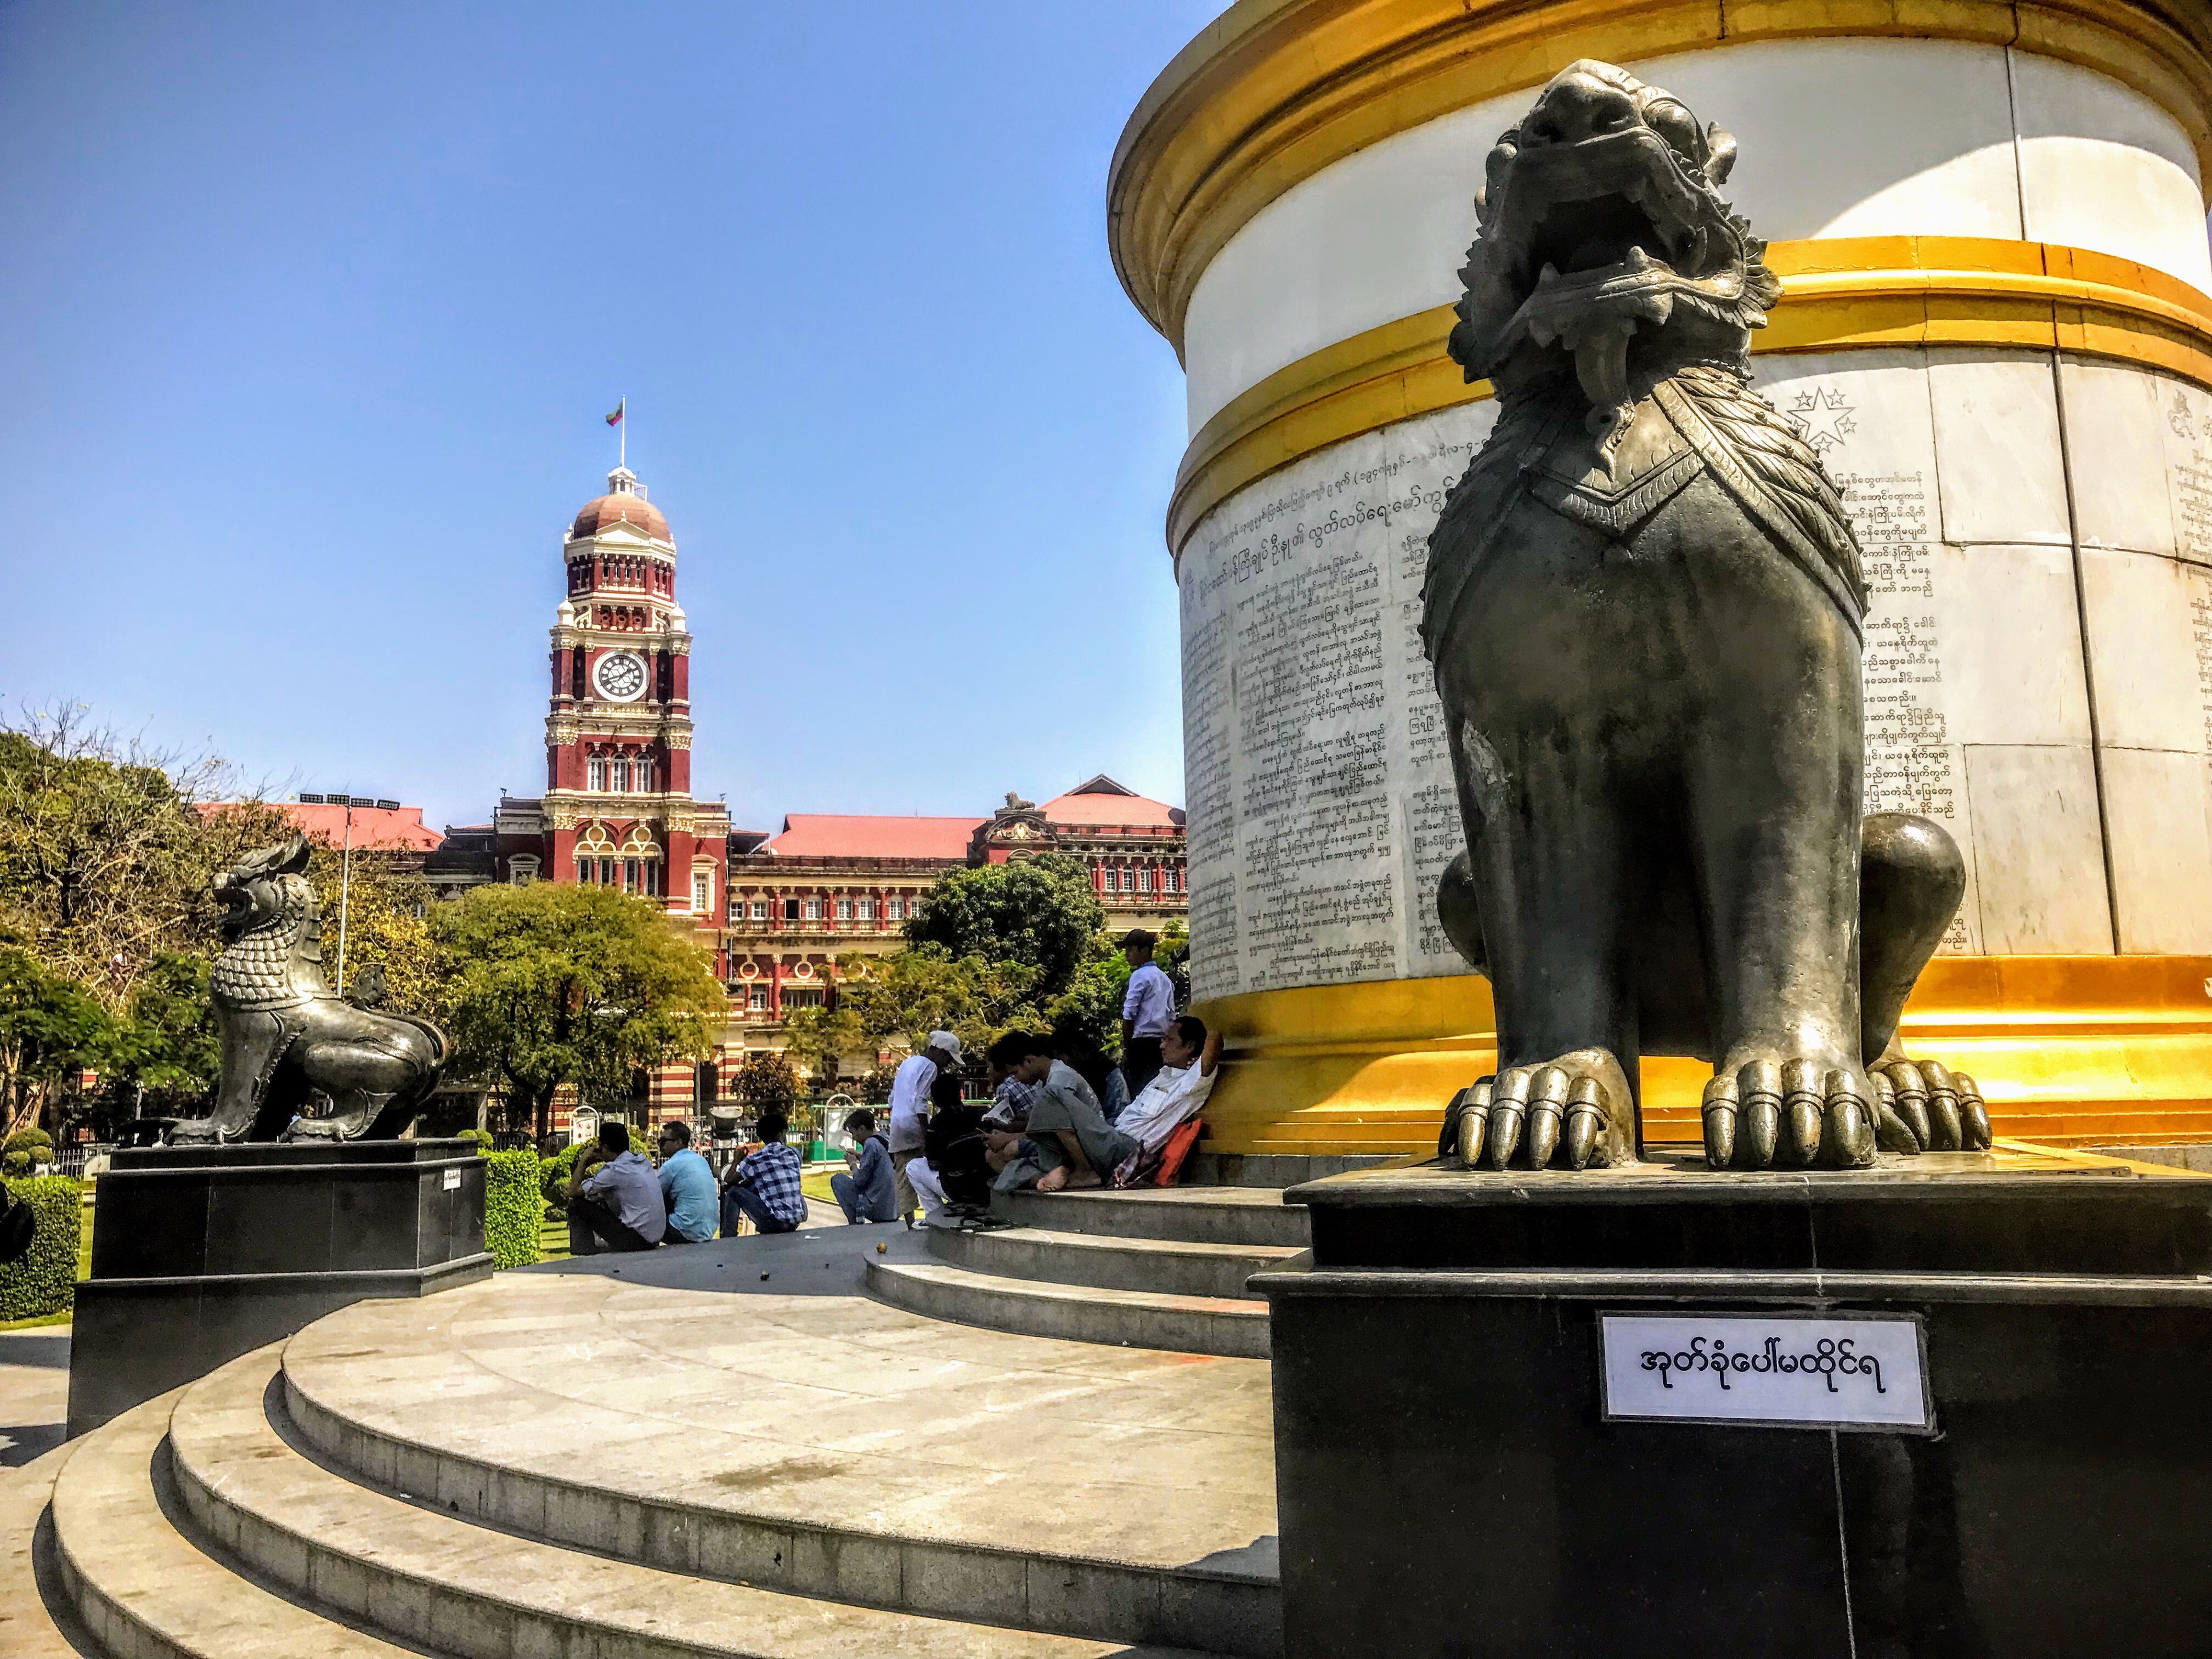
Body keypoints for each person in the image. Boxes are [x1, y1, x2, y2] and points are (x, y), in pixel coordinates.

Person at [997, 1031, 1138, 1193]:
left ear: (1029, 1061)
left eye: (1015, 1073)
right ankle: (1053, 1176)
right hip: (1088, 1150)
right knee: (1011, 1170)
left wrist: (1007, 1138)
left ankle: (1084, 1171)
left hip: (1101, 1149)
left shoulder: (1058, 1080)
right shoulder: (1049, 1079)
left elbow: (1065, 1129)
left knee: (1050, 1095)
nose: (1016, 1080)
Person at [1111, 1015, 1223, 1186]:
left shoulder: (1192, 1080)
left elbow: (1215, 1037)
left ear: (1190, 1046)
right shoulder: (1164, 1075)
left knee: (1057, 1095)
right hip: (1113, 1132)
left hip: (1126, 1147)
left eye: (1169, 1040)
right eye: (1163, 1039)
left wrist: (1198, 1057)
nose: (1162, 1046)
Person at [887, 1030, 961, 1224]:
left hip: (897, 1124)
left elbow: (892, 1099)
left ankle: (911, 1223)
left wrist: (895, 1120)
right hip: (914, 1125)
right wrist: (926, 1133)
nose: (947, 1064)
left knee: (903, 1174)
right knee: (932, 1166)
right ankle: (938, 1215)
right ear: (941, 1052)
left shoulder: (908, 1062)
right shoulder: (930, 1067)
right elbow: (921, 1101)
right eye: (948, 1058)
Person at [568, 1120, 667, 1254]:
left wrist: (584, 1161)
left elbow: (573, 1191)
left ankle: (584, 1252)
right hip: (653, 1238)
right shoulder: (642, 1161)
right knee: (599, 1199)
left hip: (637, 1240)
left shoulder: (614, 1171)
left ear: (605, 1147)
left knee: (577, 1204)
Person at [909, 1077, 993, 1227]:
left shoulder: (938, 1123)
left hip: (956, 1187)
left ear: (935, 1100)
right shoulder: (981, 1114)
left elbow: (933, 1163)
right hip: (984, 1185)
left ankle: (934, 1213)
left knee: (913, 1167)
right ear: (960, 1094)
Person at [721, 1111, 808, 1236]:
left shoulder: (756, 1159)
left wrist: (737, 1160)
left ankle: (728, 1236)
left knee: (733, 1192)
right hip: (796, 1219)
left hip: (774, 1224)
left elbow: (729, 1179)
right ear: (780, 1134)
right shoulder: (794, 1154)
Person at [1119, 929, 1175, 1097]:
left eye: (1130, 949)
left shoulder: (1139, 975)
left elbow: (1129, 1015)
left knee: (1138, 1094)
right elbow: (1171, 1017)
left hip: (1141, 1045)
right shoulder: (1165, 979)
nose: (1127, 954)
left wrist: (1128, 1047)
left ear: (1144, 950)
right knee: (1158, 1092)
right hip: (1161, 1045)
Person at [654, 1119, 719, 1244]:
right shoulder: (700, 1160)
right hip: (708, 1230)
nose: (660, 1145)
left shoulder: (671, 1165)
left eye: (663, 1141)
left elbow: (653, 1196)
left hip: (683, 1231)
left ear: (679, 1143)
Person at [832, 1108, 897, 1224]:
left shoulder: (871, 1143)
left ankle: (855, 1223)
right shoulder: (885, 1139)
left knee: (837, 1180)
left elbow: (860, 1180)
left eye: (853, 1133)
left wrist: (852, 1164)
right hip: (893, 1208)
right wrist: (861, 1157)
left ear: (862, 1129)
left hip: (877, 1207)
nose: (854, 1137)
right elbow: (880, 1166)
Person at [1054, 1031, 1128, 1125]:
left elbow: (1118, 1115)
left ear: (1074, 1049)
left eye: (1061, 1060)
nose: (1061, 1066)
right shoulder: (1074, 1071)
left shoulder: (1105, 1070)